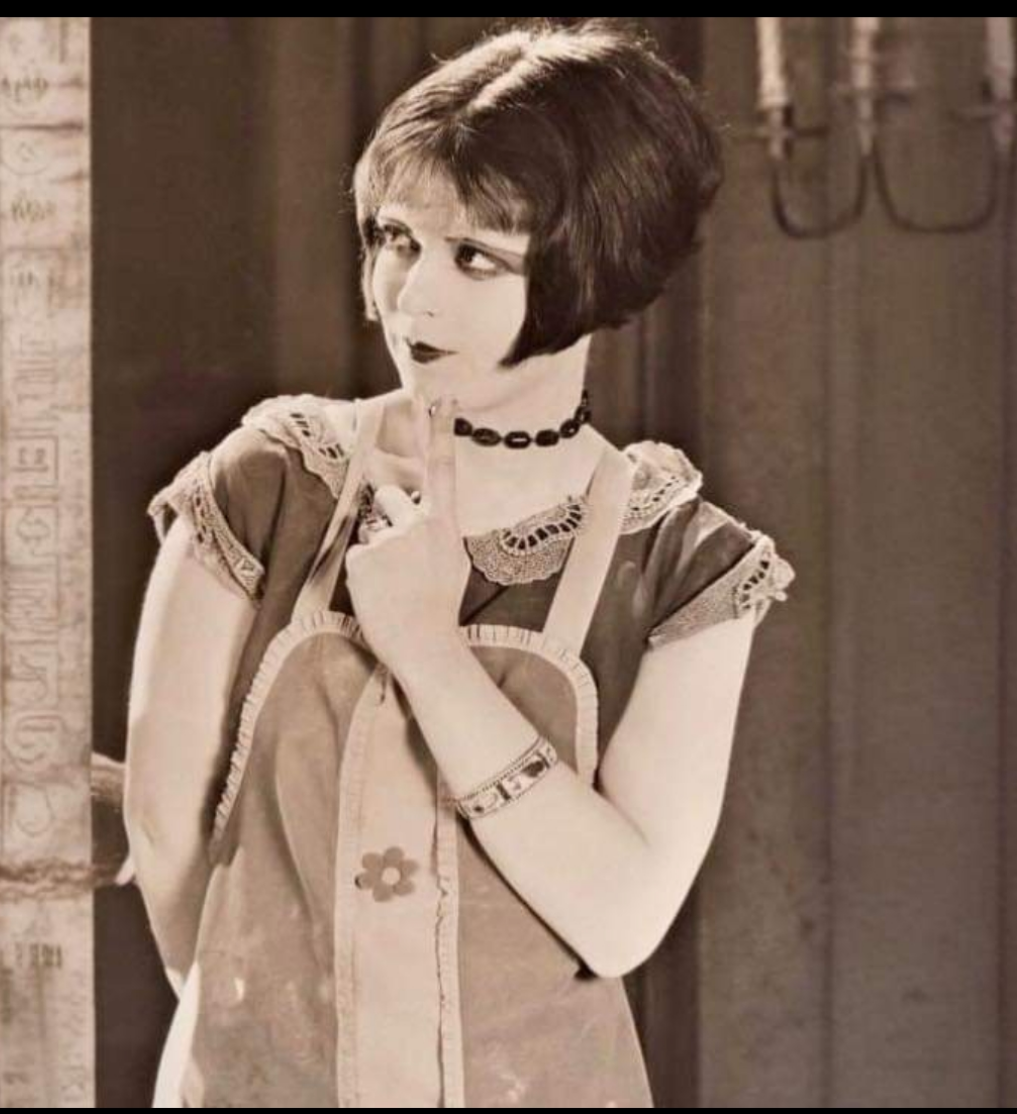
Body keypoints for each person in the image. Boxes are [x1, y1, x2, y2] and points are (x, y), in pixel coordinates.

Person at [124, 18, 796, 1108]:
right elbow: (160, 827)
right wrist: (261, 1042)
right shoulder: (267, 482)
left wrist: (430, 654)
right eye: (396, 237)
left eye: (475, 256)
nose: (409, 295)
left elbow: (622, 916)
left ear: (598, 262)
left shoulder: (683, 563)